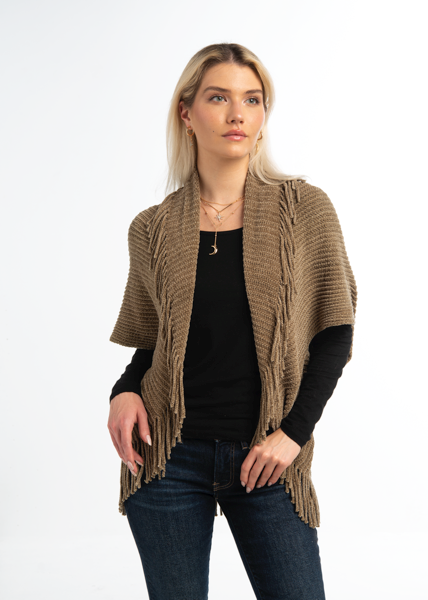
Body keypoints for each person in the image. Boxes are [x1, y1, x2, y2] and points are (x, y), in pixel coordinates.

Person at [107, 43, 357, 600]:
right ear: (186, 112)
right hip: (167, 459)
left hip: (267, 458)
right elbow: (157, 343)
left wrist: (292, 435)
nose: (237, 114)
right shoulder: (151, 228)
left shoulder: (304, 209)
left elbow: (335, 334)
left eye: (252, 99)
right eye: (219, 98)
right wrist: (122, 392)